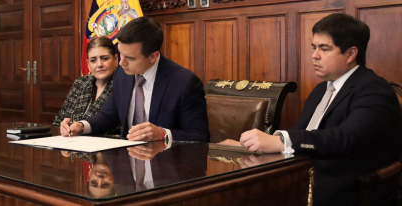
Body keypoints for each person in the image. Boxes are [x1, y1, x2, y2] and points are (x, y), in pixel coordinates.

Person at [234, 13, 401, 205]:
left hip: (349, 192)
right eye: (314, 47)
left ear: (351, 54)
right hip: (304, 181)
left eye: (324, 48)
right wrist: (253, 145)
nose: (314, 55)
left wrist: (282, 141)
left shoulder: (374, 89)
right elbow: (302, 133)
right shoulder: (322, 88)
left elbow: (347, 137)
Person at [62, 16, 210, 142]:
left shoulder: (184, 82)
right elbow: (109, 115)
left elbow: (200, 136)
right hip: (128, 165)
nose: (121, 63)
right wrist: (81, 126)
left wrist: (163, 134)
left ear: (153, 56)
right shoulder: (122, 73)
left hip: (166, 166)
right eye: (120, 54)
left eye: (130, 58)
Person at [55, 36, 121, 136]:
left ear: (115, 60)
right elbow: (59, 120)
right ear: (88, 64)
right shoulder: (80, 83)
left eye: (104, 58)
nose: (99, 64)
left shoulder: (123, 85)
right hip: (71, 145)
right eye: (93, 60)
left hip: (107, 148)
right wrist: (64, 127)